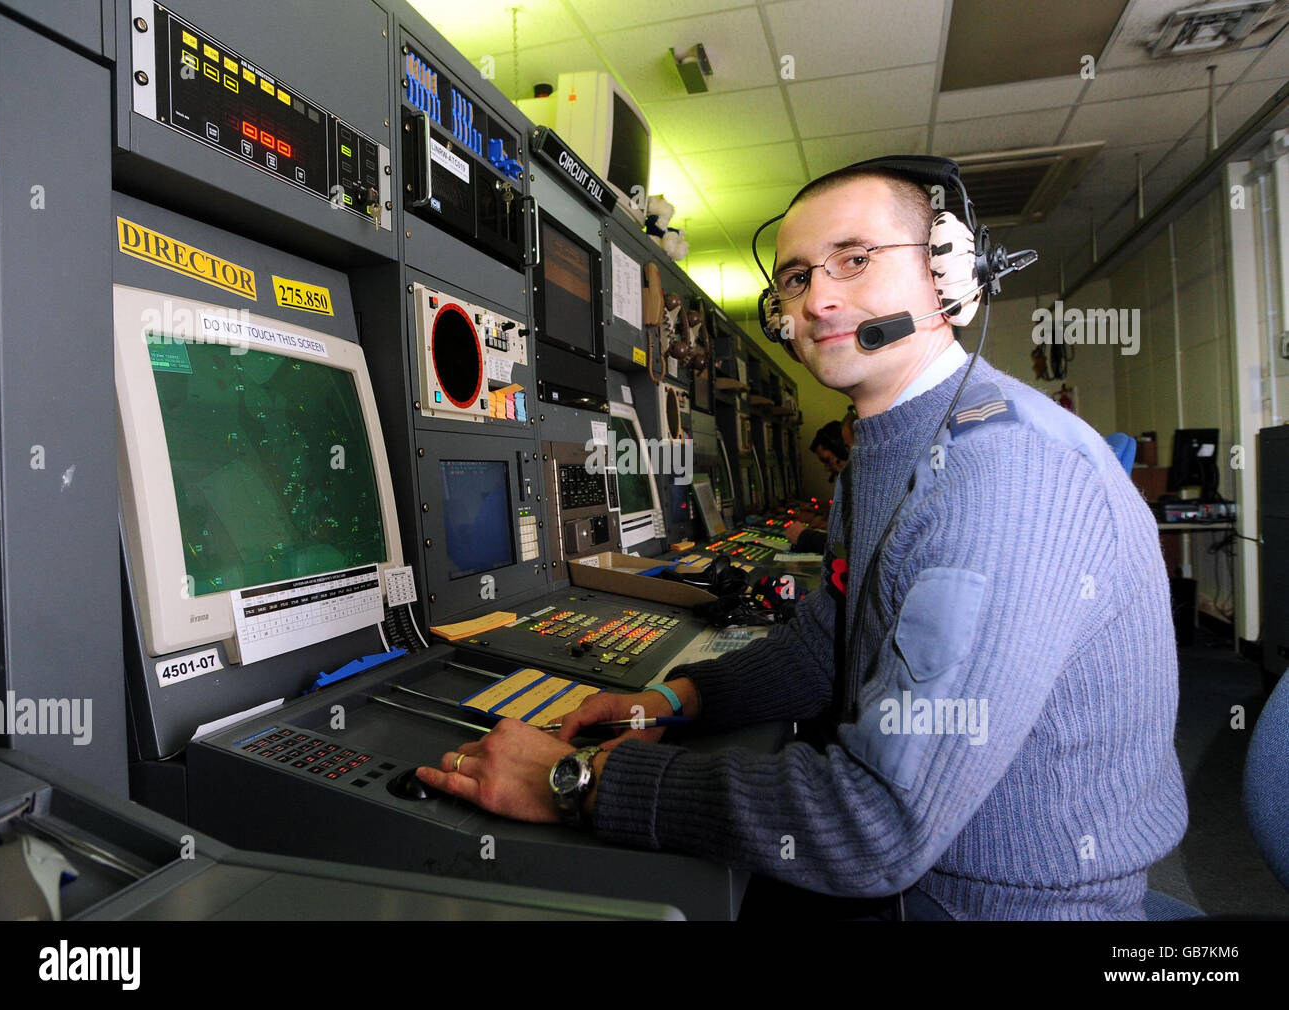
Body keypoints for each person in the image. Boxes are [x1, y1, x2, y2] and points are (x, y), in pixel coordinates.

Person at [416, 162, 1188, 920]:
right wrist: (673, 699)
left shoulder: (1002, 473)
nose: (818, 299)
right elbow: (831, 642)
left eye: (854, 259)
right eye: (794, 278)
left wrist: (581, 782)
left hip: (992, 905)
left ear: (949, 272)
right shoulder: (891, 446)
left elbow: (874, 826)